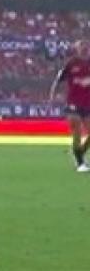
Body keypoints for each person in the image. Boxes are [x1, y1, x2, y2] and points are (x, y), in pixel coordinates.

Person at [49, 41, 90, 172]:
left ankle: (80, 152)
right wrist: (52, 96)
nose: (84, 49)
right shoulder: (71, 64)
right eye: (81, 47)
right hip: (73, 103)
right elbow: (58, 80)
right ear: (77, 49)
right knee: (77, 131)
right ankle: (80, 163)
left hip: (87, 104)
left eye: (86, 47)